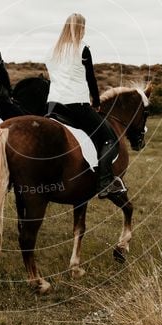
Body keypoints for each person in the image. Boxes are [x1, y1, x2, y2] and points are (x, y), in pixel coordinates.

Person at [45, 13, 126, 198]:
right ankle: (105, 182)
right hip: (76, 105)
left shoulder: (51, 51)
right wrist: (96, 102)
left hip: (52, 106)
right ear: (80, 28)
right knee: (109, 138)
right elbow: (91, 78)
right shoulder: (82, 49)